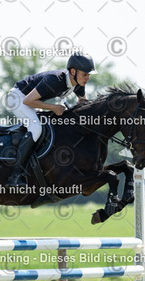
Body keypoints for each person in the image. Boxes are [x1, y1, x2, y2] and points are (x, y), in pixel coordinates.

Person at [5, 52, 96, 187]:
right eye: (85, 74)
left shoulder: (78, 82)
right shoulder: (55, 80)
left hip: (30, 100)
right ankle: (15, 175)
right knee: (36, 128)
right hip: (17, 98)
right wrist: (53, 107)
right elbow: (27, 101)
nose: (87, 78)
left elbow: (84, 104)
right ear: (73, 71)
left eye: (88, 75)